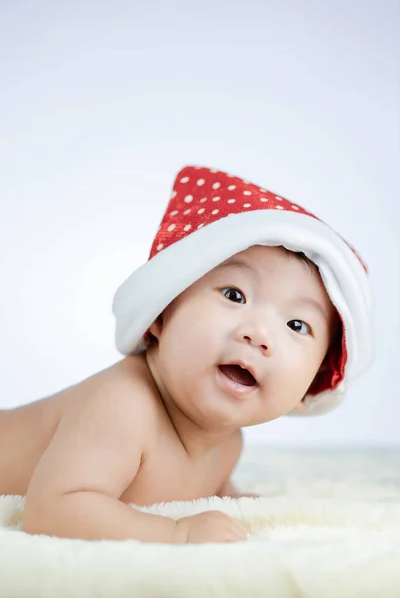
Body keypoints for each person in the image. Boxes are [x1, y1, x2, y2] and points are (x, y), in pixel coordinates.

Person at [0, 165, 374, 544]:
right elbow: (53, 509)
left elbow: (197, 487)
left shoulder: (228, 443)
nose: (260, 335)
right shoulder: (123, 406)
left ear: (314, 381)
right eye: (234, 295)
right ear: (162, 314)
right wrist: (176, 533)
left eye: (297, 325)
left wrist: (235, 502)